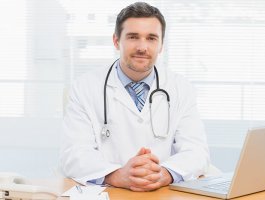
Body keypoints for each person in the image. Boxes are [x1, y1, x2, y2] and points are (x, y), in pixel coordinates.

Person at [60, 2, 210, 192]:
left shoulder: (181, 88)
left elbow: (197, 151)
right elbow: (74, 153)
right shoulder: (85, 87)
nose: (142, 47)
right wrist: (117, 175)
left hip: (162, 194)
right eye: (133, 37)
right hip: (109, 192)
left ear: (161, 44)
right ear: (116, 41)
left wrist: (163, 174)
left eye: (151, 38)